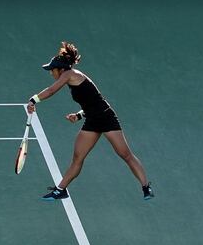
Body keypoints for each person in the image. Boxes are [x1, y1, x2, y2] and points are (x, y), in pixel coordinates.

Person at [27, 42, 154, 201]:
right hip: (92, 120)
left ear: (61, 69)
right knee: (78, 158)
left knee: (125, 154)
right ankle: (60, 190)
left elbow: (52, 90)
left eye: (52, 70)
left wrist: (33, 100)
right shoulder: (72, 78)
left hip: (106, 118)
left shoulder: (69, 74)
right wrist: (79, 115)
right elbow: (91, 102)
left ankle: (146, 187)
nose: (51, 73)